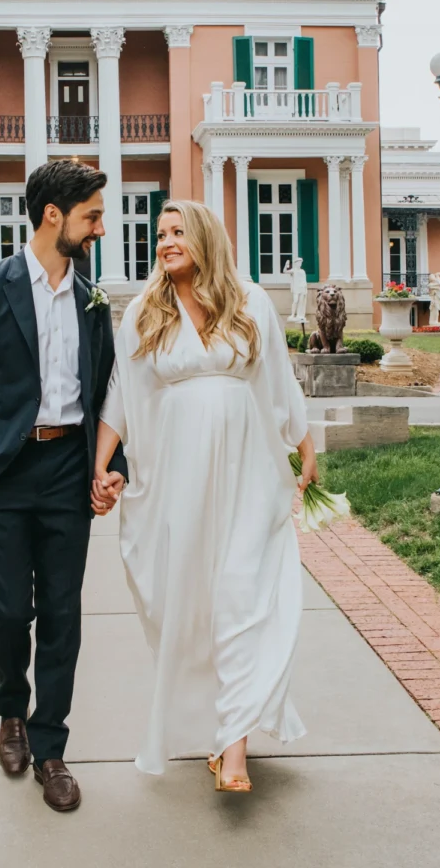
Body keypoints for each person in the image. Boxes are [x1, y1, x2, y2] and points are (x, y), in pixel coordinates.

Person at [93, 199, 316, 793]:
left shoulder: (251, 303)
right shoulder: (145, 311)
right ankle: (217, 721)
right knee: (184, 603)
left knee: (240, 594)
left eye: (176, 232)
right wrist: (101, 463)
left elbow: (278, 379)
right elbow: (122, 390)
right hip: (177, 477)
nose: (165, 242)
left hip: (247, 472)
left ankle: (234, 747)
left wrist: (304, 444)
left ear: (205, 238)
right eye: (159, 233)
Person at [0, 160, 124, 813]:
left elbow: (107, 390)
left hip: (69, 470)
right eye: (92, 215)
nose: (101, 226)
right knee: (12, 609)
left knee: (63, 613)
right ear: (53, 215)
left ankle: (50, 749)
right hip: (3, 475)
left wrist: (112, 465)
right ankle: (11, 710)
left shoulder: (92, 296)